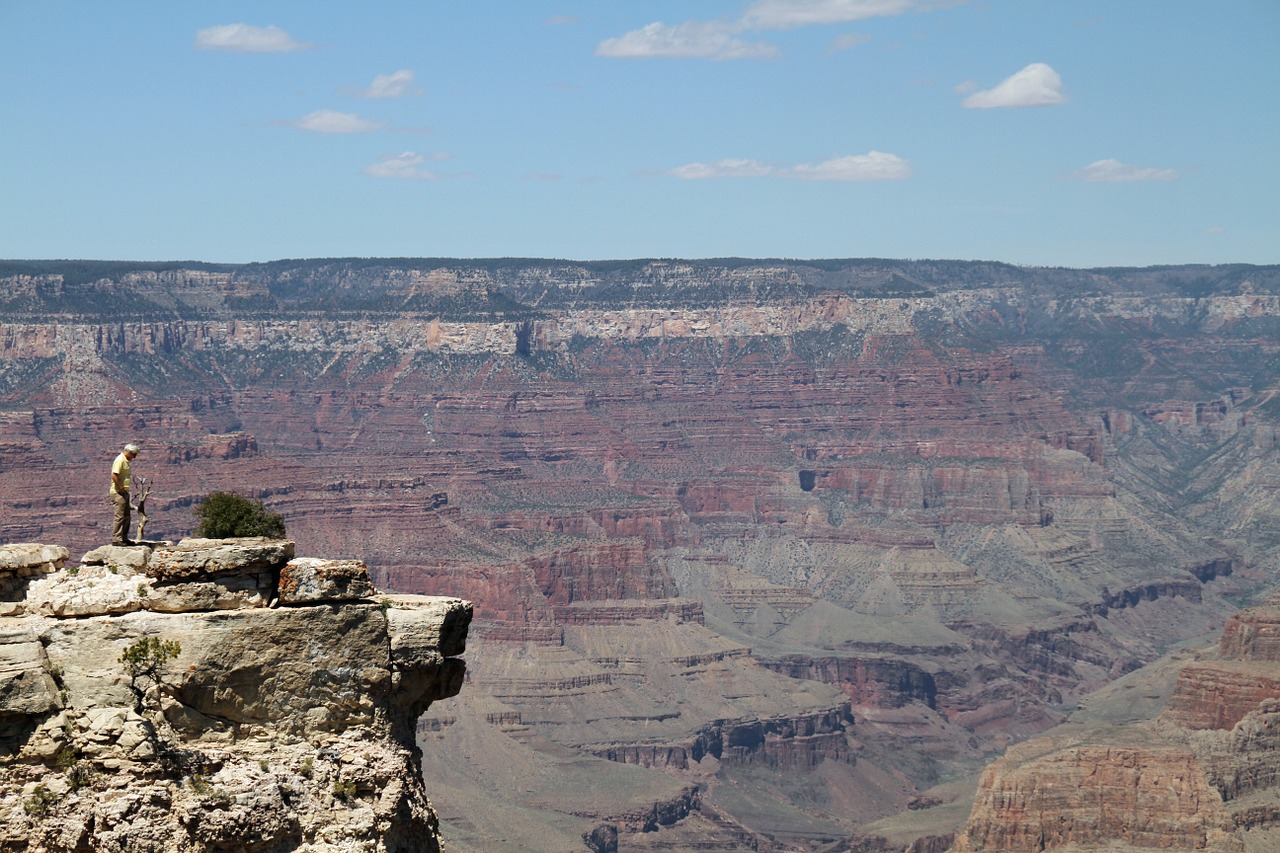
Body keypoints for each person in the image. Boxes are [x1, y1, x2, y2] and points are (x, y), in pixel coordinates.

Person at [111, 443, 140, 545]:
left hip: (125, 492)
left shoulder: (126, 461)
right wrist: (121, 488)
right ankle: (117, 539)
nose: (134, 457)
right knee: (119, 516)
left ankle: (124, 537)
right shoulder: (120, 460)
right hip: (119, 493)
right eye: (134, 454)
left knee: (127, 516)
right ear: (129, 452)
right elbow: (114, 475)